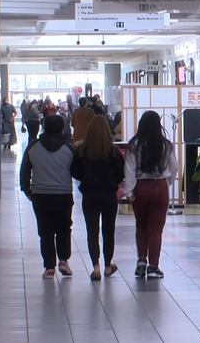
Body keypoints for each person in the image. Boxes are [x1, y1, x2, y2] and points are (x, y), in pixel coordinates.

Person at [123, 111, 178, 279]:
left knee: (141, 226)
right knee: (156, 229)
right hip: (159, 187)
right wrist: (166, 182)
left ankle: (141, 261)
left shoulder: (134, 145)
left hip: (140, 187)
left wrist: (128, 191)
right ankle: (153, 266)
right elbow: (174, 167)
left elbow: (130, 170)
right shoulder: (166, 144)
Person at [20, 115, 75, 279]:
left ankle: (49, 267)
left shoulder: (33, 147)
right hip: (63, 194)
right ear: (61, 129)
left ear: (43, 127)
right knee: (64, 228)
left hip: (40, 195)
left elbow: (24, 172)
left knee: (45, 231)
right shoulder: (68, 149)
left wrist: (28, 191)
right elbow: (77, 170)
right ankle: (63, 260)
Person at [71, 116, 125, 281]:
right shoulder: (113, 151)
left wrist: (86, 179)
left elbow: (74, 171)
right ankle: (108, 265)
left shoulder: (82, 150)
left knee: (92, 231)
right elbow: (120, 174)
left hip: (90, 194)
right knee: (109, 231)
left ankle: (95, 267)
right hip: (109, 195)